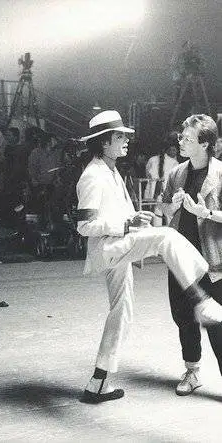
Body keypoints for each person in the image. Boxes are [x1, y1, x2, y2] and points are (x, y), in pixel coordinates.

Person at [75, 110, 222, 404]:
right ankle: (201, 300)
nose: (127, 140)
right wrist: (127, 224)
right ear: (104, 142)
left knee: (122, 312)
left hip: (201, 254)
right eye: (120, 136)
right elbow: (84, 225)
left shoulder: (111, 170)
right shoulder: (93, 175)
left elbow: (117, 213)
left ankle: (98, 383)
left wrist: (134, 219)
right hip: (110, 248)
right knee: (166, 237)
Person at [161, 114, 222, 396]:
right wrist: (172, 207)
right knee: (183, 316)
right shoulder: (176, 173)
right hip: (180, 259)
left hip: (213, 260)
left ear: (205, 144)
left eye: (187, 138)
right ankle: (192, 371)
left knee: (217, 323)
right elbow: (164, 209)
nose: (181, 142)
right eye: (181, 137)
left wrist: (205, 213)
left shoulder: (220, 174)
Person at [144, 132, 180, 225]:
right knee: (168, 215)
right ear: (167, 150)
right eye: (172, 150)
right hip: (164, 193)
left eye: (175, 150)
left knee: (156, 213)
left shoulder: (152, 160)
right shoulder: (174, 163)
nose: (174, 152)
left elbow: (147, 174)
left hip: (154, 193)